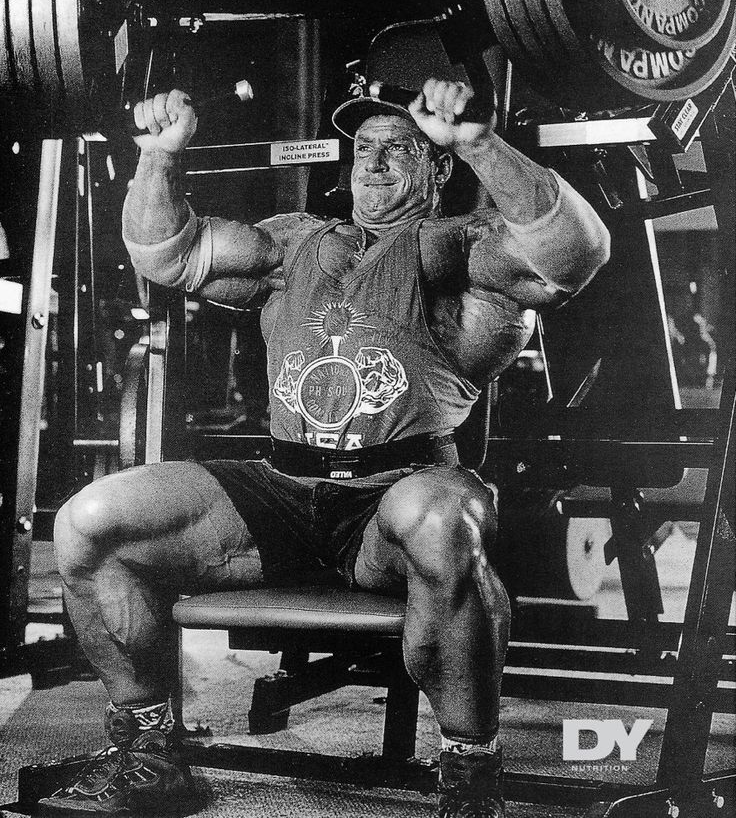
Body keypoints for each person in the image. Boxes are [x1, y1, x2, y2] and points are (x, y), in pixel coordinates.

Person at [44, 79, 610, 817]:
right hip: (282, 487)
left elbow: (576, 255)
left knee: (444, 518)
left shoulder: (466, 248)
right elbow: (165, 251)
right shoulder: (294, 241)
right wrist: (157, 157)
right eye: (362, 149)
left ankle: (470, 779)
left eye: (399, 148)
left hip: (395, 496)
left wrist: (477, 139)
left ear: (436, 167)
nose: (373, 165)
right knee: (87, 522)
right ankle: (151, 754)